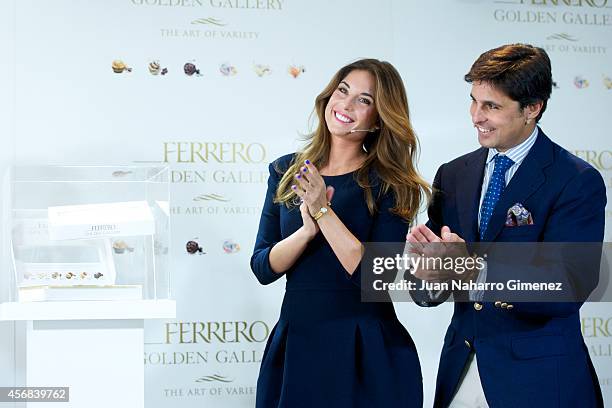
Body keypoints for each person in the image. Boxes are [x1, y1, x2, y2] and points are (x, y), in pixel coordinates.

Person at [407, 44, 606, 407]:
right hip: (461, 373)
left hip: (540, 383)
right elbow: (427, 284)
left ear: (532, 108)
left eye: (491, 107)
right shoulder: (453, 174)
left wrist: (472, 272)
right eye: (473, 101)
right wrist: (424, 275)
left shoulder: (576, 180)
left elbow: (569, 285)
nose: (475, 116)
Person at [251, 58, 430, 407]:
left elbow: (375, 275)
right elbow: (262, 267)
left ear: (379, 118)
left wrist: (322, 211)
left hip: (365, 349)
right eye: (343, 91)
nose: (346, 105)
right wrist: (304, 233)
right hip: (297, 343)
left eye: (364, 100)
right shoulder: (286, 169)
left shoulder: (393, 182)